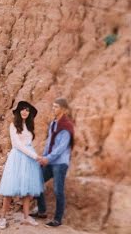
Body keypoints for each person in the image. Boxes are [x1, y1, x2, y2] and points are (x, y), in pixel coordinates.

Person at [0, 100, 44, 229]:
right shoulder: (13, 125)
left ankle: (26, 217)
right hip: (18, 158)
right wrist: (35, 156)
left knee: (27, 190)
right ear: (18, 111)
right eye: (23, 109)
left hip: (29, 159)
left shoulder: (29, 127)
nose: (25, 112)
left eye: (27, 110)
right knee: (9, 190)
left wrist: (34, 157)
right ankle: (2, 217)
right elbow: (17, 145)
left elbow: (28, 143)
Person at [31, 97, 74, 228]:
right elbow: (49, 143)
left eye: (56, 107)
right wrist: (43, 158)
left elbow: (61, 147)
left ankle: (57, 219)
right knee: (37, 181)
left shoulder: (67, 126)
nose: (53, 108)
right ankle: (42, 211)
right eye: (53, 106)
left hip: (60, 163)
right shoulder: (53, 124)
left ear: (64, 110)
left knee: (58, 190)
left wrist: (47, 158)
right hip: (49, 160)